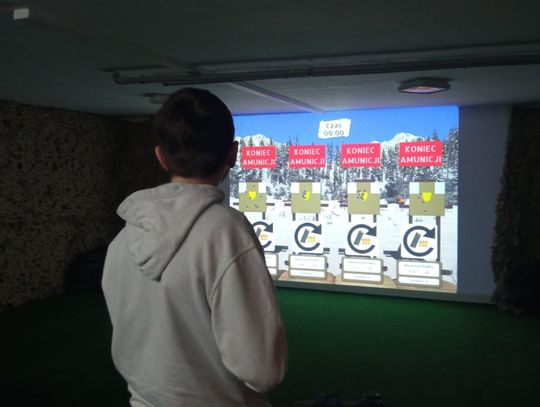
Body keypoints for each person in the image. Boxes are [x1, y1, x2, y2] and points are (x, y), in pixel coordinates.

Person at [102, 88, 287, 407]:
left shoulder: (122, 239)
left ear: (161, 156)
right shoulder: (227, 232)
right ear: (233, 154)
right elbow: (262, 370)